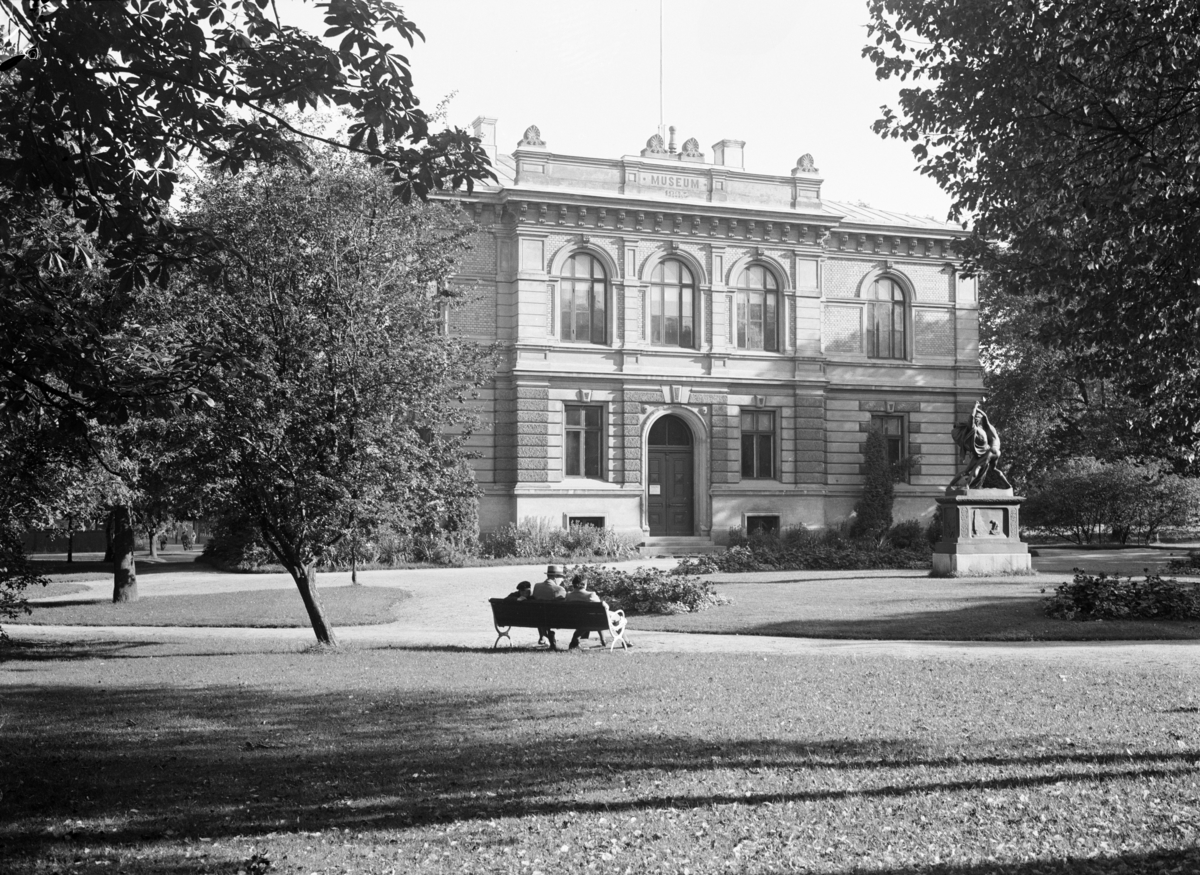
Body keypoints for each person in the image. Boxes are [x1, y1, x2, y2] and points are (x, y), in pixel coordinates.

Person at [950, 403, 1011, 490]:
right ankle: (1008, 485)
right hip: (995, 452)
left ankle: (967, 486)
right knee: (993, 469)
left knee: (976, 467)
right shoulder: (989, 430)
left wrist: (975, 407)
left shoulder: (986, 429)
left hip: (991, 451)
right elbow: (984, 416)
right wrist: (978, 409)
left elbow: (980, 417)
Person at [532, 564, 567, 648]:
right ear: (555, 577)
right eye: (561, 577)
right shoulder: (559, 589)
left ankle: (543, 635)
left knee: (541, 612)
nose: (562, 580)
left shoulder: (537, 586)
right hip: (556, 620)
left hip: (539, 619)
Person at [564, 574, 600, 649]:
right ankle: (626, 641)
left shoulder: (568, 596)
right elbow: (601, 607)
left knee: (586, 617)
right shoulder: (591, 595)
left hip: (572, 621)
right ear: (584, 584)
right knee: (619, 618)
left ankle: (577, 641)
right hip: (589, 621)